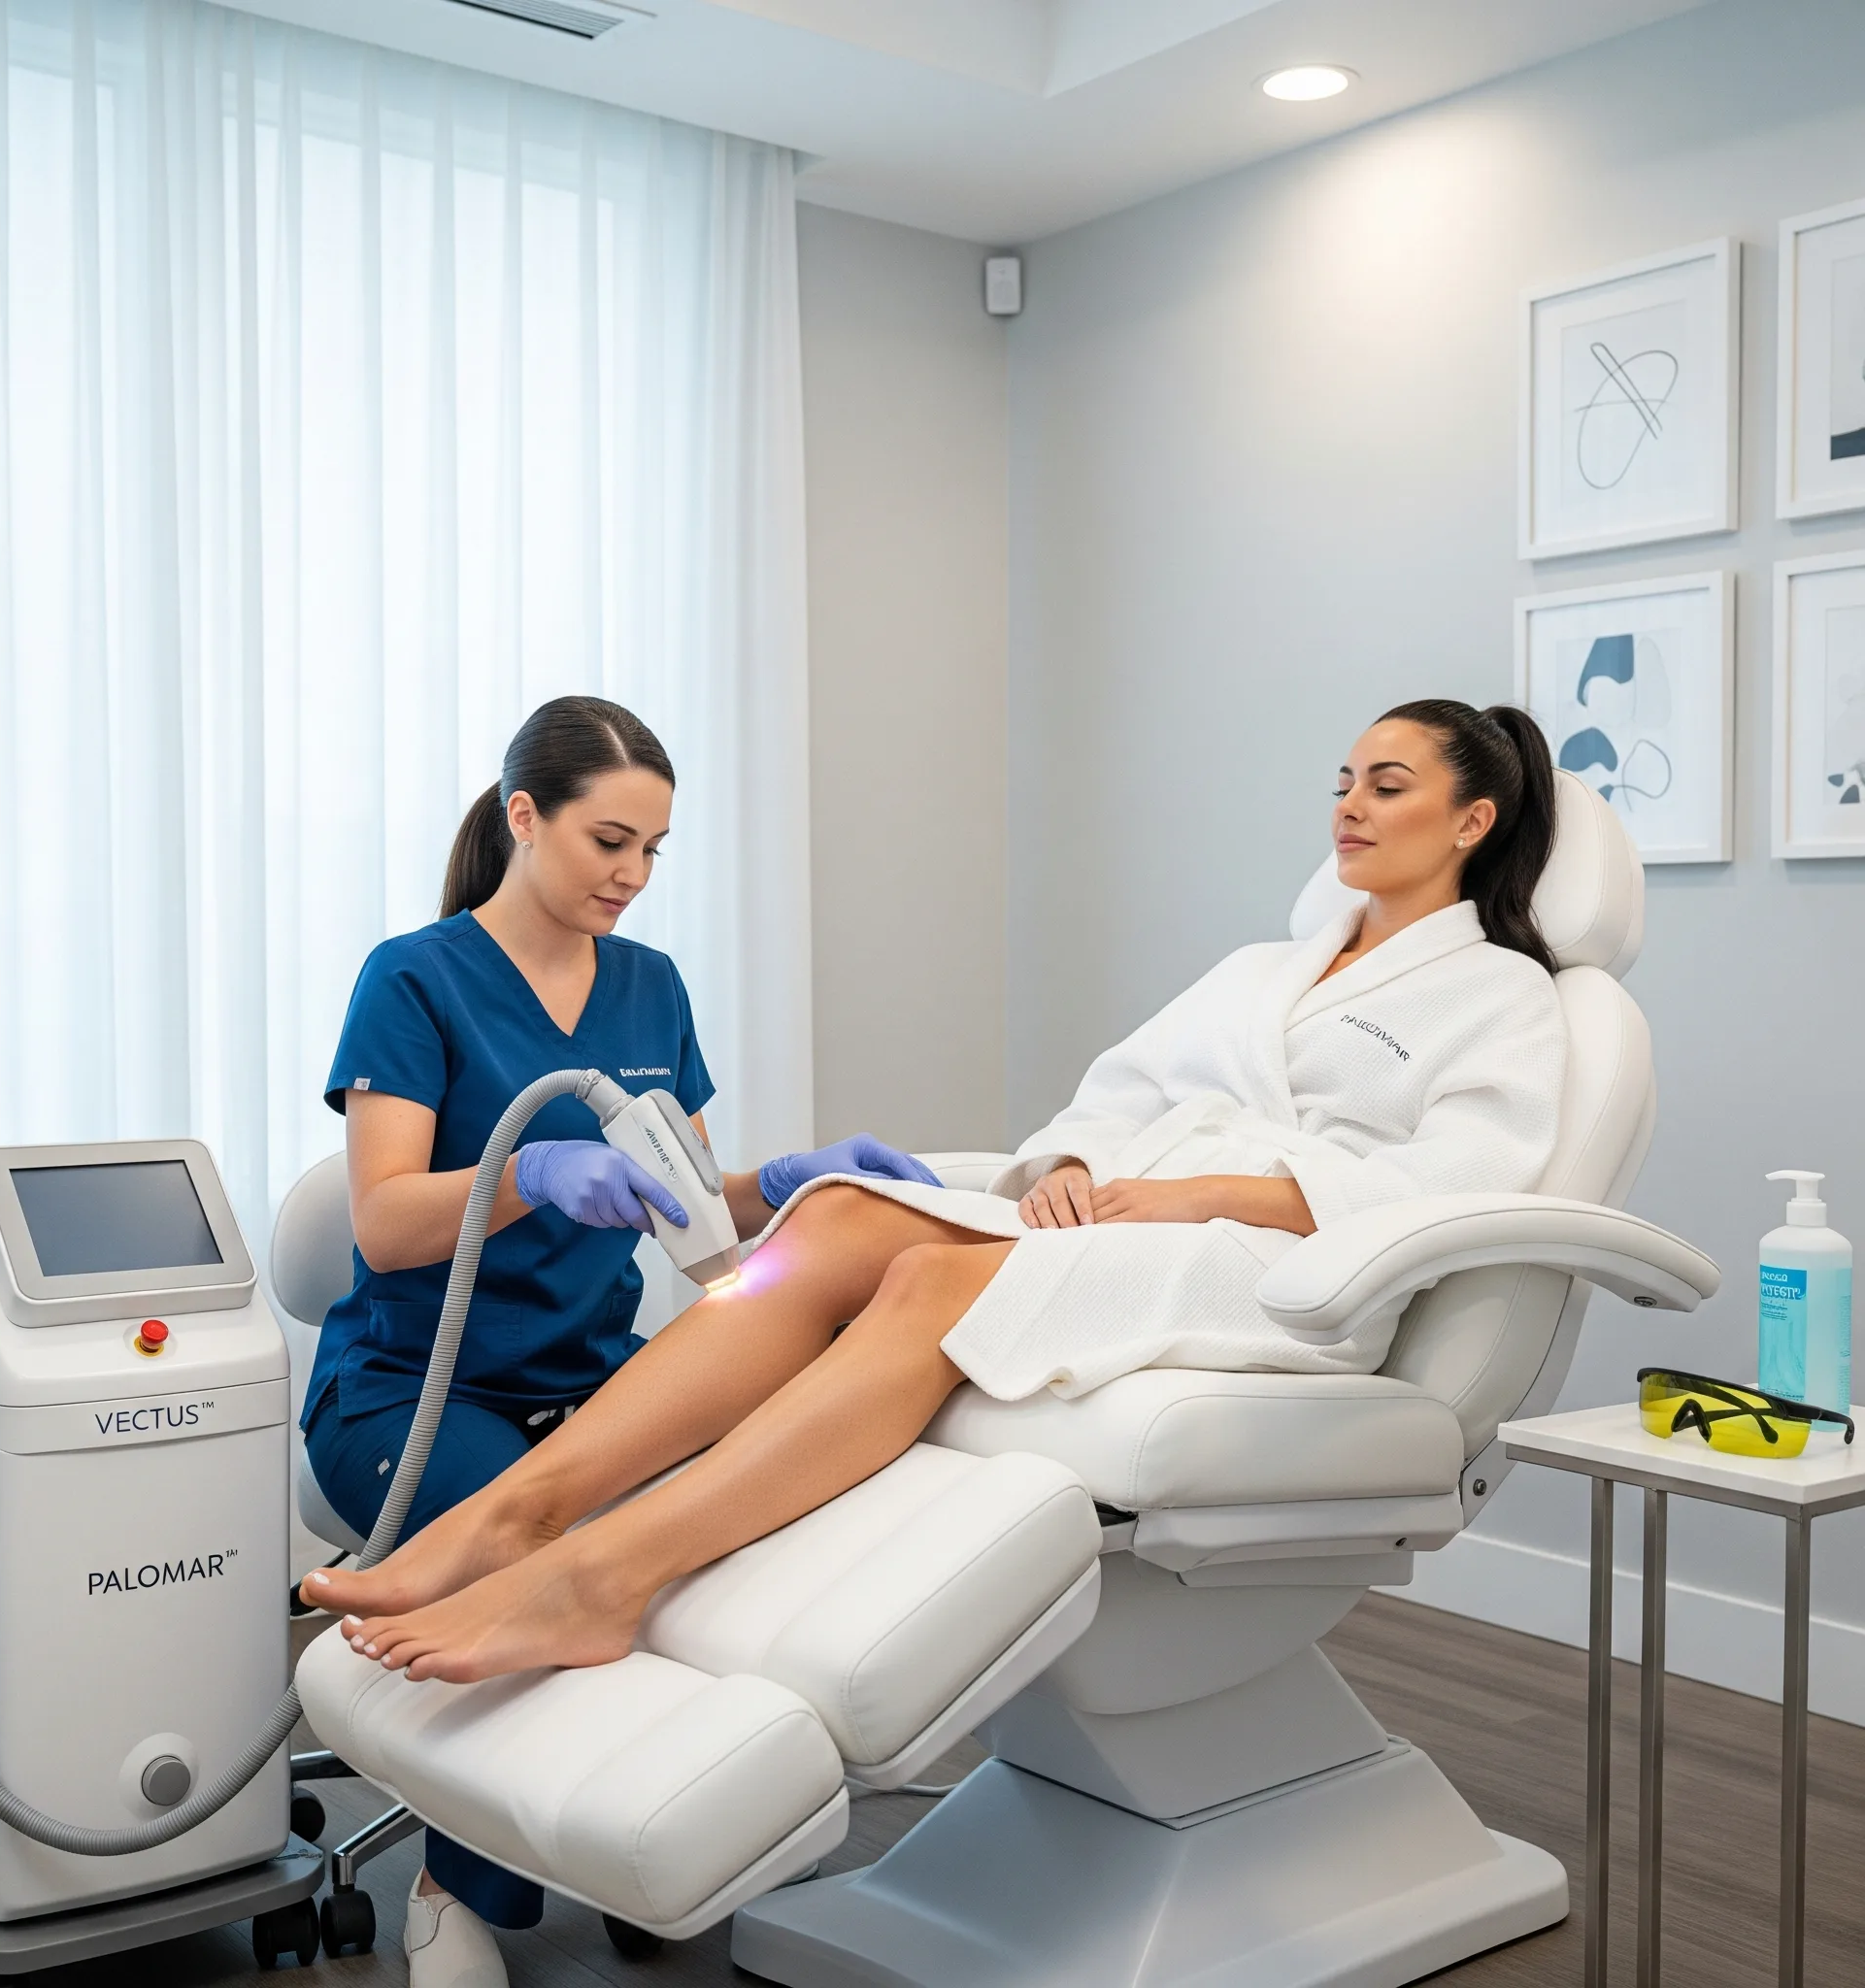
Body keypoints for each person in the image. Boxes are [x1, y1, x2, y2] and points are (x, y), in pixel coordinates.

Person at [305, 699, 1569, 1706]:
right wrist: (1063, 1168)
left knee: (930, 1283)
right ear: (528, 820)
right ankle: (522, 1512)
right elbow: (1105, 1104)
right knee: (839, 1222)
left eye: (1386, 785)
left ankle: (599, 1572)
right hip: (1127, 1221)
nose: (1348, 805)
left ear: (1474, 820)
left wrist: (1193, 1192)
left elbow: (1445, 1189)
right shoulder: (1263, 972)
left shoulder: (1501, 994)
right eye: (1341, 781)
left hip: (1268, 1259)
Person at [298, 694, 934, 1988]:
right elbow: (383, 1224)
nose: (632, 877)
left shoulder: (650, 986)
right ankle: (448, 1886)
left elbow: (691, 1205)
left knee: (705, 1559)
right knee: (535, 1561)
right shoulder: (414, 978)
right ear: (525, 817)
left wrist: (804, 1180)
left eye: (653, 849)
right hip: (408, 1392)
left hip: (592, 1385)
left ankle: (644, 1844)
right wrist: (528, 1167)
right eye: (607, 842)